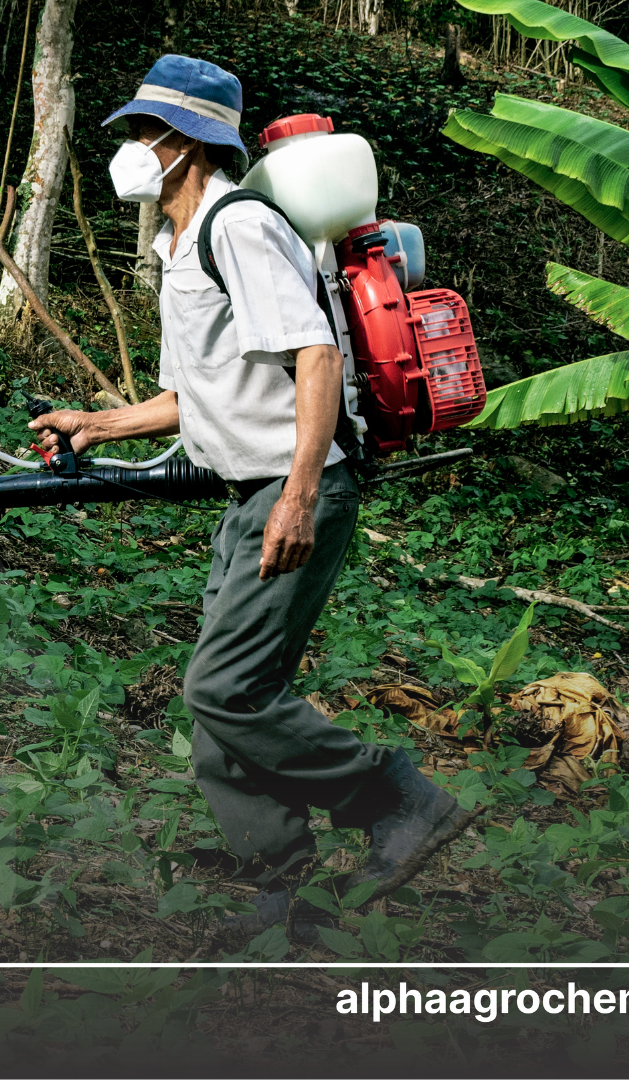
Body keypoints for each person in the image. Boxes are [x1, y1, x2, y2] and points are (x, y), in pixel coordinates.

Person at [28, 55, 474, 942]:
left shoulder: (238, 228)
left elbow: (316, 357)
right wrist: (98, 424)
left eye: (140, 133)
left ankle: (397, 795)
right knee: (219, 711)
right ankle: (284, 894)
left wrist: (298, 498)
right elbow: (196, 393)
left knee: (225, 687)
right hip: (247, 494)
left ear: (185, 144)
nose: (126, 147)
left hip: (294, 487)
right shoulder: (176, 243)